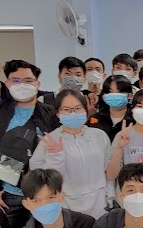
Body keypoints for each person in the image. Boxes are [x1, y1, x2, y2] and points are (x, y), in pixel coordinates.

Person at [0, 60, 60, 228]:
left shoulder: (51, 113)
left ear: (37, 83)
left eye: (28, 81)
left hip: (44, 194)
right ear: (7, 83)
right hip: (7, 195)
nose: (22, 85)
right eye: (16, 81)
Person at [30, 89, 112, 219]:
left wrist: (110, 196)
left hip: (99, 203)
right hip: (67, 205)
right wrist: (55, 157)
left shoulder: (99, 136)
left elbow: (108, 170)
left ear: (85, 109)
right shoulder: (50, 141)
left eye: (78, 108)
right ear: (58, 113)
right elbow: (44, 179)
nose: (73, 113)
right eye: (66, 109)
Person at [106, 89, 143, 181]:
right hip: (128, 188)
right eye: (140, 106)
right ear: (132, 109)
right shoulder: (123, 135)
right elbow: (111, 176)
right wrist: (119, 148)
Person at [89, 74, 133, 142]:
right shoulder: (96, 118)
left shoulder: (135, 119)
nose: (114, 95)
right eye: (110, 92)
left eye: (119, 92)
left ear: (130, 95)